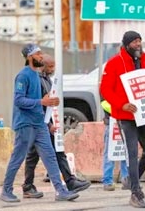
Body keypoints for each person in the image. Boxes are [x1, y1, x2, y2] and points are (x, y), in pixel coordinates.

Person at [0, 44, 79, 203]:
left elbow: (41, 101)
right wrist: (42, 101)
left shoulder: (36, 75)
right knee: (18, 158)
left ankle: (61, 190)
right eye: (38, 54)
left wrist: (49, 106)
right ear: (30, 57)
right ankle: (6, 191)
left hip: (39, 124)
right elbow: (18, 100)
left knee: (50, 157)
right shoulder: (23, 76)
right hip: (25, 124)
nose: (41, 56)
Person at [100, 30, 145, 208]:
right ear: (126, 44)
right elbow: (105, 89)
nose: (138, 44)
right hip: (125, 115)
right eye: (135, 42)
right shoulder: (114, 63)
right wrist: (121, 104)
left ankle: (130, 180)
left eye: (140, 41)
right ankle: (136, 192)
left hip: (144, 114)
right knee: (132, 153)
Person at [22, 54, 91, 198]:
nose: (53, 69)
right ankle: (62, 185)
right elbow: (38, 106)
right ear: (43, 67)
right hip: (38, 125)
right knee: (36, 156)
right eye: (51, 66)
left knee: (51, 152)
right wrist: (48, 125)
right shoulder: (37, 81)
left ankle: (67, 182)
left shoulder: (47, 80)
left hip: (44, 123)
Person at [100, 100, 129, 191]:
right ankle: (108, 181)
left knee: (126, 154)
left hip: (125, 123)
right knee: (110, 154)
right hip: (112, 123)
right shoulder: (108, 88)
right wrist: (122, 107)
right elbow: (104, 103)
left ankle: (127, 180)